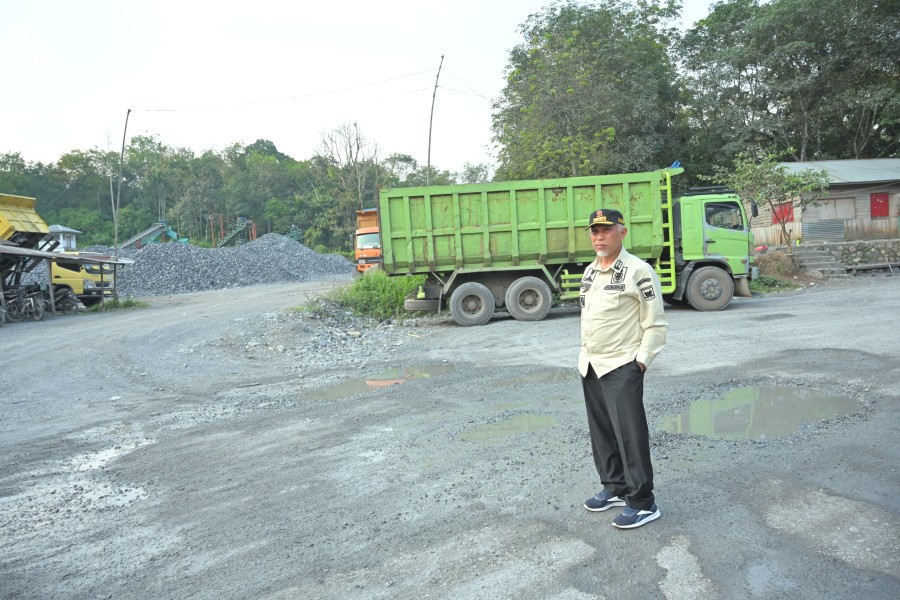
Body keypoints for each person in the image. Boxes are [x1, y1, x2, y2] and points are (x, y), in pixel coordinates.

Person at [578, 208, 668, 529]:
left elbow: (655, 323)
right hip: (591, 365)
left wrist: (640, 361)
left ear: (622, 232)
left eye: (606, 229)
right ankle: (614, 487)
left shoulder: (638, 271)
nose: (599, 236)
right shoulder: (590, 271)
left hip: (622, 365)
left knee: (629, 435)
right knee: (602, 433)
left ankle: (643, 502)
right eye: (594, 230)